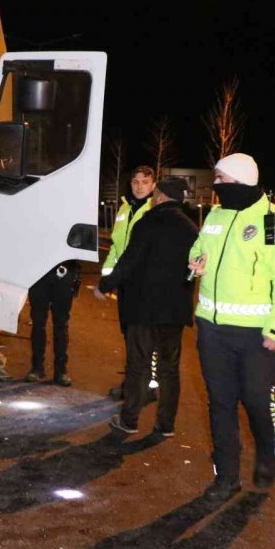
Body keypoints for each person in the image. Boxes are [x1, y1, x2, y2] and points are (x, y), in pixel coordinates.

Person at [188, 153, 275, 502]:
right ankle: (226, 476)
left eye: (221, 179)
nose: (216, 186)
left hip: (256, 335)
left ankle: (268, 450)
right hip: (211, 329)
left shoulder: (274, 222)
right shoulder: (215, 215)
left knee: (255, 399)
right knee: (220, 402)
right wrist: (195, 262)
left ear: (240, 180)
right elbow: (199, 248)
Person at [97, 177, 198, 437]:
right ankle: (166, 425)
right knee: (169, 369)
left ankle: (129, 420)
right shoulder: (190, 227)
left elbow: (129, 262)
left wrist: (105, 285)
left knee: (139, 366)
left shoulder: (148, 222)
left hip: (144, 309)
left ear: (160, 195)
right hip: (174, 313)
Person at [96, 165, 156, 399]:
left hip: (144, 284)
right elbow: (115, 246)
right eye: (135, 182)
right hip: (125, 283)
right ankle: (140, 384)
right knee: (130, 337)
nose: (139, 187)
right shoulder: (124, 208)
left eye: (144, 182)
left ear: (153, 186)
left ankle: (139, 387)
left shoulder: (154, 210)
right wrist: (107, 277)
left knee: (140, 340)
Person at [25, 260, 81, 386]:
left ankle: (60, 370)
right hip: (39, 270)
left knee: (61, 324)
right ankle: (37, 367)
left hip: (65, 270)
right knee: (38, 323)